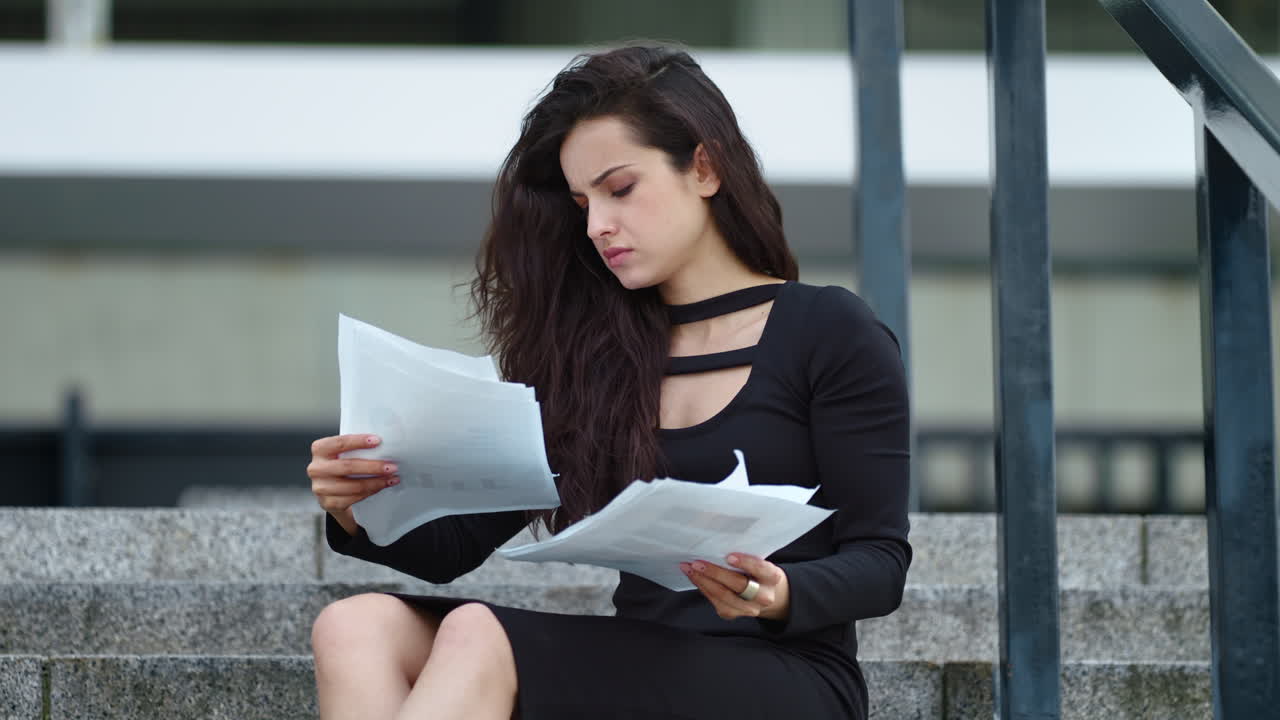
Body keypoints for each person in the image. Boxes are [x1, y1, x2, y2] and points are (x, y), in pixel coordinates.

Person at [307, 43, 911, 720]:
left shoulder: (829, 331)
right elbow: (456, 549)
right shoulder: (595, 356)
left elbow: (881, 562)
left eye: (620, 189)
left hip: (788, 676)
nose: (598, 226)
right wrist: (357, 504)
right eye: (581, 202)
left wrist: (781, 591)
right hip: (642, 659)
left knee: (478, 637)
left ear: (704, 168)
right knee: (353, 627)